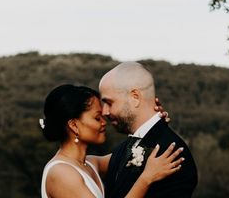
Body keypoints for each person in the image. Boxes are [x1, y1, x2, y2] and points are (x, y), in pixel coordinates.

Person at [40, 84, 184, 198]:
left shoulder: (89, 163)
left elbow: (134, 154)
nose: (104, 122)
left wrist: (151, 123)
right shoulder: (61, 173)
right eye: (97, 118)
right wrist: (146, 179)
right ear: (74, 125)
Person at [99, 62, 198, 197]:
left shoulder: (170, 154)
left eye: (109, 103)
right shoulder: (123, 148)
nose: (104, 112)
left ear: (135, 97)